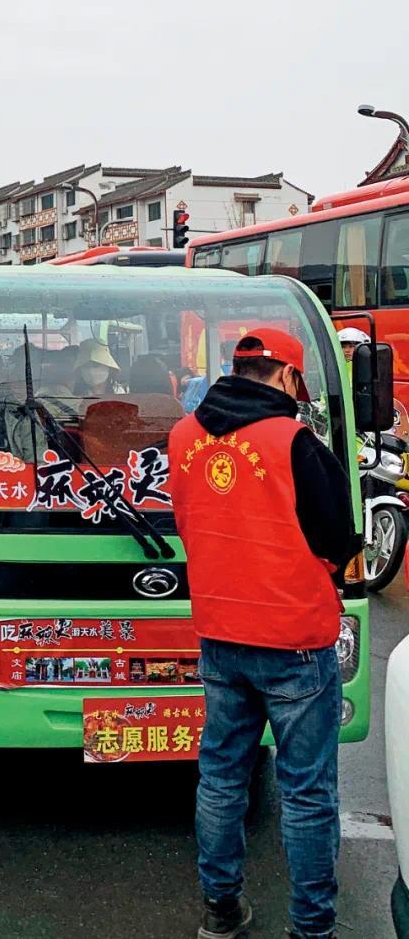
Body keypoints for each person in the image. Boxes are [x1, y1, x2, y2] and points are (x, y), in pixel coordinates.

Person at [168, 329, 357, 939]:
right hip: (295, 639)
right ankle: (313, 928)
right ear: (285, 378)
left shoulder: (183, 437)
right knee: (305, 793)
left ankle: (219, 911)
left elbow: (189, 518)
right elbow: (335, 539)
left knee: (222, 776)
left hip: (221, 634)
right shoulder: (295, 442)